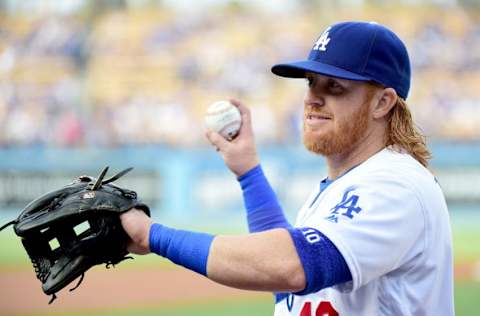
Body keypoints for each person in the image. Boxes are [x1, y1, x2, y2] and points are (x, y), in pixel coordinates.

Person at [120, 21, 454, 315]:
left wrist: (151, 235)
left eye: (334, 86)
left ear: (383, 102)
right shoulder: (340, 186)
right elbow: (291, 287)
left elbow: (292, 268)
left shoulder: (396, 184)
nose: (312, 98)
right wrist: (248, 173)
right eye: (311, 81)